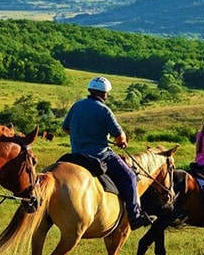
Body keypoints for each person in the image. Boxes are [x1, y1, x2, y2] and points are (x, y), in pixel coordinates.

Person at [61, 76, 155, 229]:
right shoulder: (104, 110)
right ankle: (135, 216)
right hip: (100, 155)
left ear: (90, 90)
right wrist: (121, 142)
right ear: (105, 94)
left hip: (76, 154)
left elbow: (65, 128)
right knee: (130, 177)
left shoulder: (77, 106)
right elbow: (120, 137)